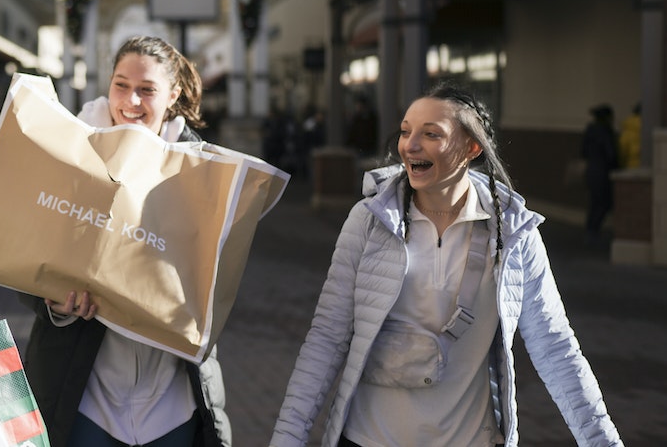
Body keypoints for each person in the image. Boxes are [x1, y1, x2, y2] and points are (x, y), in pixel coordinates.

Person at [270, 83, 621, 447]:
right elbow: (327, 338)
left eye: (431, 134)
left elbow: (556, 347)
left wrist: (603, 442)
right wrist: (286, 439)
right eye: (406, 132)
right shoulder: (370, 221)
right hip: (367, 438)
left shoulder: (514, 233)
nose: (410, 145)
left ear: (471, 147)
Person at [20, 35, 232, 447]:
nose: (131, 101)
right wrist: (53, 301)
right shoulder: (69, 153)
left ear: (172, 95)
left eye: (147, 90)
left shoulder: (204, 171)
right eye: (121, 85)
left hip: (172, 399)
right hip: (86, 394)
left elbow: (217, 280)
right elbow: (23, 257)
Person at [581, 103, 618, 245]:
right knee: (603, 203)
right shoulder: (605, 131)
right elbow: (611, 154)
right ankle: (593, 231)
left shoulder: (590, 130)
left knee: (595, 202)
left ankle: (590, 230)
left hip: (591, 170)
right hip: (603, 172)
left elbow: (583, 151)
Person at [618, 102, 641, 169]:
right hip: (651, 167)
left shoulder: (628, 129)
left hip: (631, 166)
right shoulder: (651, 127)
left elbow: (622, 149)